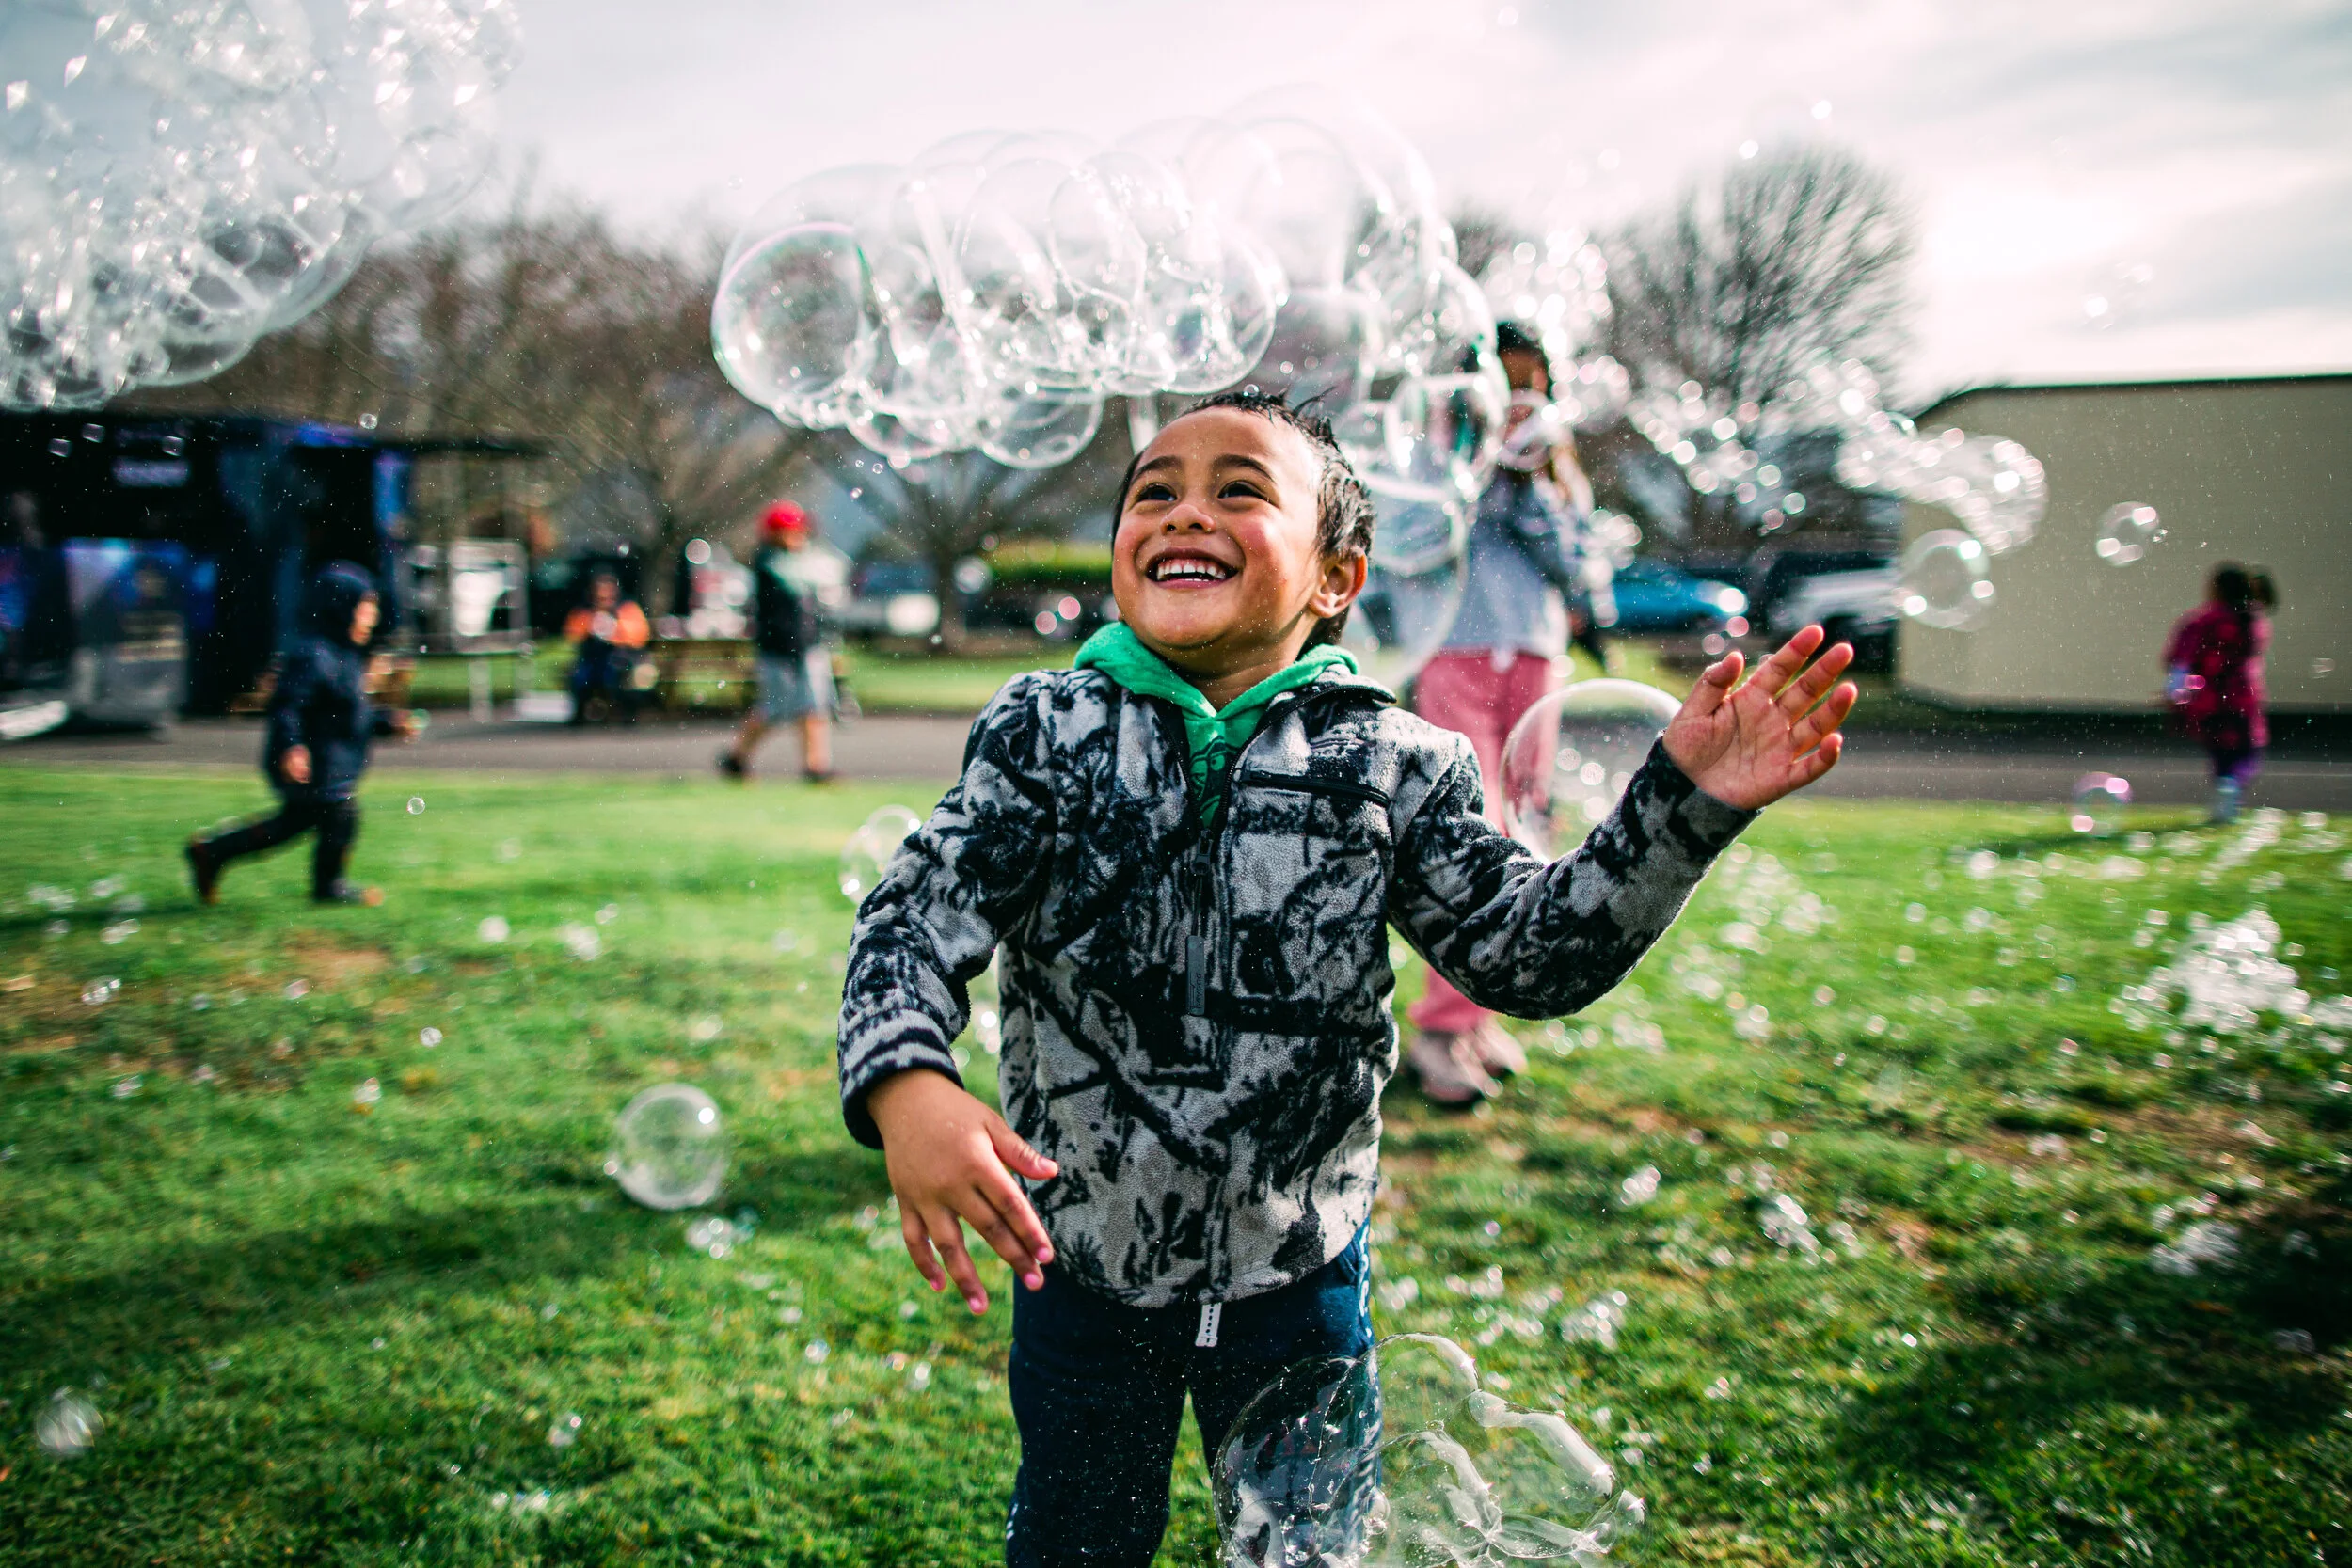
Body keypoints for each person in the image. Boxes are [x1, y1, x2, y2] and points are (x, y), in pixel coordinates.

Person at [834, 388, 1856, 1568]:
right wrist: (906, 1082)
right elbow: (915, 910)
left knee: (1307, 1551)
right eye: (1153, 490)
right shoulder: (1042, 733)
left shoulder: (1394, 760)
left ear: (1336, 577)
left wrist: (1683, 806)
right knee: (1075, 1533)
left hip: (1298, 1271)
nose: (1183, 510)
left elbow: (1527, 949)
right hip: (1082, 1263)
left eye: (1239, 489)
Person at [1403, 321, 1595, 1104]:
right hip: (1454, 656)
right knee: (1467, 839)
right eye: (1501, 386)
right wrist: (1476, 473)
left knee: (1525, 836)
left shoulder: (1554, 473)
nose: (1517, 404)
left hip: (1536, 659)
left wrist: (1530, 488)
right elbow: (1412, 541)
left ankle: (1476, 1014)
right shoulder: (1429, 460)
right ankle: (1438, 1029)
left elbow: (1580, 570)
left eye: (1530, 386)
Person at [184, 562, 417, 906]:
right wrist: (292, 747)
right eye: (365, 608)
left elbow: (350, 711)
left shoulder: (345, 656)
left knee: (294, 823)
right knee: (340, 815)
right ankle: (329, 887)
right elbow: (287, 706)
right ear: (340, 607)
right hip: (314, 760)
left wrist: (386, 722)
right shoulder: (314, 656)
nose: (372, 617)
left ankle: (212, 851)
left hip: (330, 760)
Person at [718, 501, 836, 782]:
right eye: (791, 531)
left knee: (814, 707)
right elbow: (794, 584)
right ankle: (737, 757)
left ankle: (816, 766)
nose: (799, 535)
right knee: (772, 709)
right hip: (778, 650)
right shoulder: (769, 563)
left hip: (807, 645)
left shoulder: (800, 561)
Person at [2164, 562, 2269, 823]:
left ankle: (2225, 786)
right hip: (2242, 695)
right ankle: (2231, 786)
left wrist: (2175, 691)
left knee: (2220, 748)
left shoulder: (2201, 619)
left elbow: (2181, 659)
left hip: (2207, 698)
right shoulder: (2252, 619)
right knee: (2247, 748)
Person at [563, 570, 650, 723]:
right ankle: (580, 714)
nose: (604, 598)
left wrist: (616, 631)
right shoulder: (585, 611)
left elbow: (639, 635)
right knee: (579, 676)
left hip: (619, 657)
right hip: (591, 659)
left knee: (618, 674)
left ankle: (623, 713)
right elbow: (572, 634)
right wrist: (590, 625)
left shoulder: (627, 608)